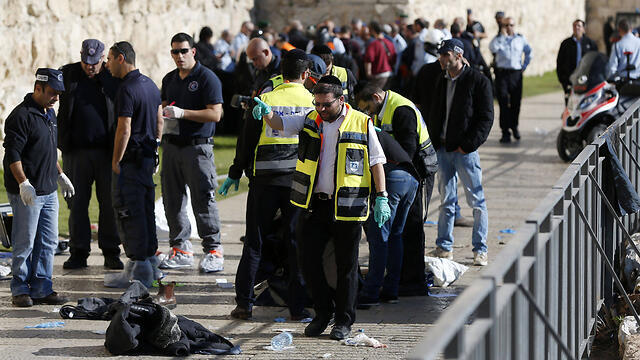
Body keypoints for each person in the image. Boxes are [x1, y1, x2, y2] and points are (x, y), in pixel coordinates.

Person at [254, 75, 390, 340]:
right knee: (308, 261)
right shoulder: (310, 119)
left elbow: (376, 162)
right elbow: (280, 124)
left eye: (326, 105)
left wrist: (381, 196)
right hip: (316, 205)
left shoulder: (362, 123)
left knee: (346, 267)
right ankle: (322, 312)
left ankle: (343, 320)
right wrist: (266, 113)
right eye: (317, 103)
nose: (321, 109)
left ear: (341, 100)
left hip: (348, 207)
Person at [219, 49, 314, 321]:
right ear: (306, 75)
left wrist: (236, 172)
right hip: (298, 180)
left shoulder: (265, 99)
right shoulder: (311, 102)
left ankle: (244, 304)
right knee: (296, 243)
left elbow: (247, 139)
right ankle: (297, 308)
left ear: (280, 73)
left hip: (264, 179)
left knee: (254, 241)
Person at [356, 85, 436, 298]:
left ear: (375, 97)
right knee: (397, 234)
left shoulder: (401, 110)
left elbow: (408, 149)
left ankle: (374, 290)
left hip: (413, 172)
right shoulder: (387, 108)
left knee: (381, 234)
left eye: (369, 108)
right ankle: (395, 287)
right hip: (408, 177)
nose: (369, 113)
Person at [3, 68, 74, 307]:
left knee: (48, 241)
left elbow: (48, 150)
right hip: (28, 193)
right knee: (25, 242)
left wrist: (61, 174)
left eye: (59, 94)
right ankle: (20, 289)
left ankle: (42, 287)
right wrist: (23, 183)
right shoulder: (20, 116)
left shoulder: (49, 114)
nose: (56, 98)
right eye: (52, 93)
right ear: (38, 89)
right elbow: (13, 154)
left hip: (48, 190)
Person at [156, 33, 225, 273]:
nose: (179, 56)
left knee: (203, 198)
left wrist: (183, 113)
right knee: (172, 200)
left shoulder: (207, 78)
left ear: (193, 52)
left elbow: (216, 114)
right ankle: (180, 248)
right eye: (175, 52)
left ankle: (214, 249)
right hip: (173, 145)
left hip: (198, 147)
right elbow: (164, 111)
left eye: (184, 51)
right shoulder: (169, 79)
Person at [424, 39, 493, 266]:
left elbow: (486, 117)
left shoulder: (477, 81)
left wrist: (469, 144)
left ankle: (480, 249)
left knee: (476, 200)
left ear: (458, 55)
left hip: (465, 151)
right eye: (440, 55)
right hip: (443, 149)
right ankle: (444, 247)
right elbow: (434, 110)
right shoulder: (439, 79)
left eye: (445, 55)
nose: (441, 59)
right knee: (446, 200)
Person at [57, 39, 122, 271]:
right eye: (86, 61)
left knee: (109, 204)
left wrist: (105, 77)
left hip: (106, 153)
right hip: (76, 152)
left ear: (103, 57)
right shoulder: (69, 74)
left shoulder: (112, 77)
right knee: (77, 204)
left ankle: (111, 252)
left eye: (94, 62)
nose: (90, 66)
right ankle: (78, 252)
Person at [104, 41, 163, 287]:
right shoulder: (149, 85)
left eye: (108, 59)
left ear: (120, 58)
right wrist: (156, 146)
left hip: (132, 161)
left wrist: (116, 159)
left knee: (129, 211)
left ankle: (140, 274)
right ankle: (148, 263)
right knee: (145, 210)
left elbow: (124, 128)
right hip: (147, 158)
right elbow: (160, 120)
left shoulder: (127, 89)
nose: (106, 65)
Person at [489, 17, 532, 143]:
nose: (509, 27)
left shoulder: (520, 39)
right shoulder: (498, 39)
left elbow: (529, 52)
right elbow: (492, 48)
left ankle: (514, 126)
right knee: (503, 102)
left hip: (515, 74)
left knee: (516, 102)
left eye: (511, 25)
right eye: (506, 25)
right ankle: (505, 131)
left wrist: (524, 66)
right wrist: (502, 36)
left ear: (514, 26)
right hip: (502, 74)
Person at [556, 20, 598, 105]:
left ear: (583, 29)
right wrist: (563, 80)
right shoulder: (566, 44)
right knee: (570, 105)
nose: (576, 28)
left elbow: (596, 62)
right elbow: (559, 62)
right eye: (574, 26)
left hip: (585, 80)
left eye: (579, 26)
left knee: (585, 105)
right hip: (570, 80)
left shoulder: (590, 44)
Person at [364, 21, 396, 90]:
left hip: (379, 76)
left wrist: (368, 74)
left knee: (374, 98)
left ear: (372, 30)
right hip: (390, 74)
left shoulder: (373, 44)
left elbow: (368, 59)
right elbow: (393, 59)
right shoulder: (390, 43)